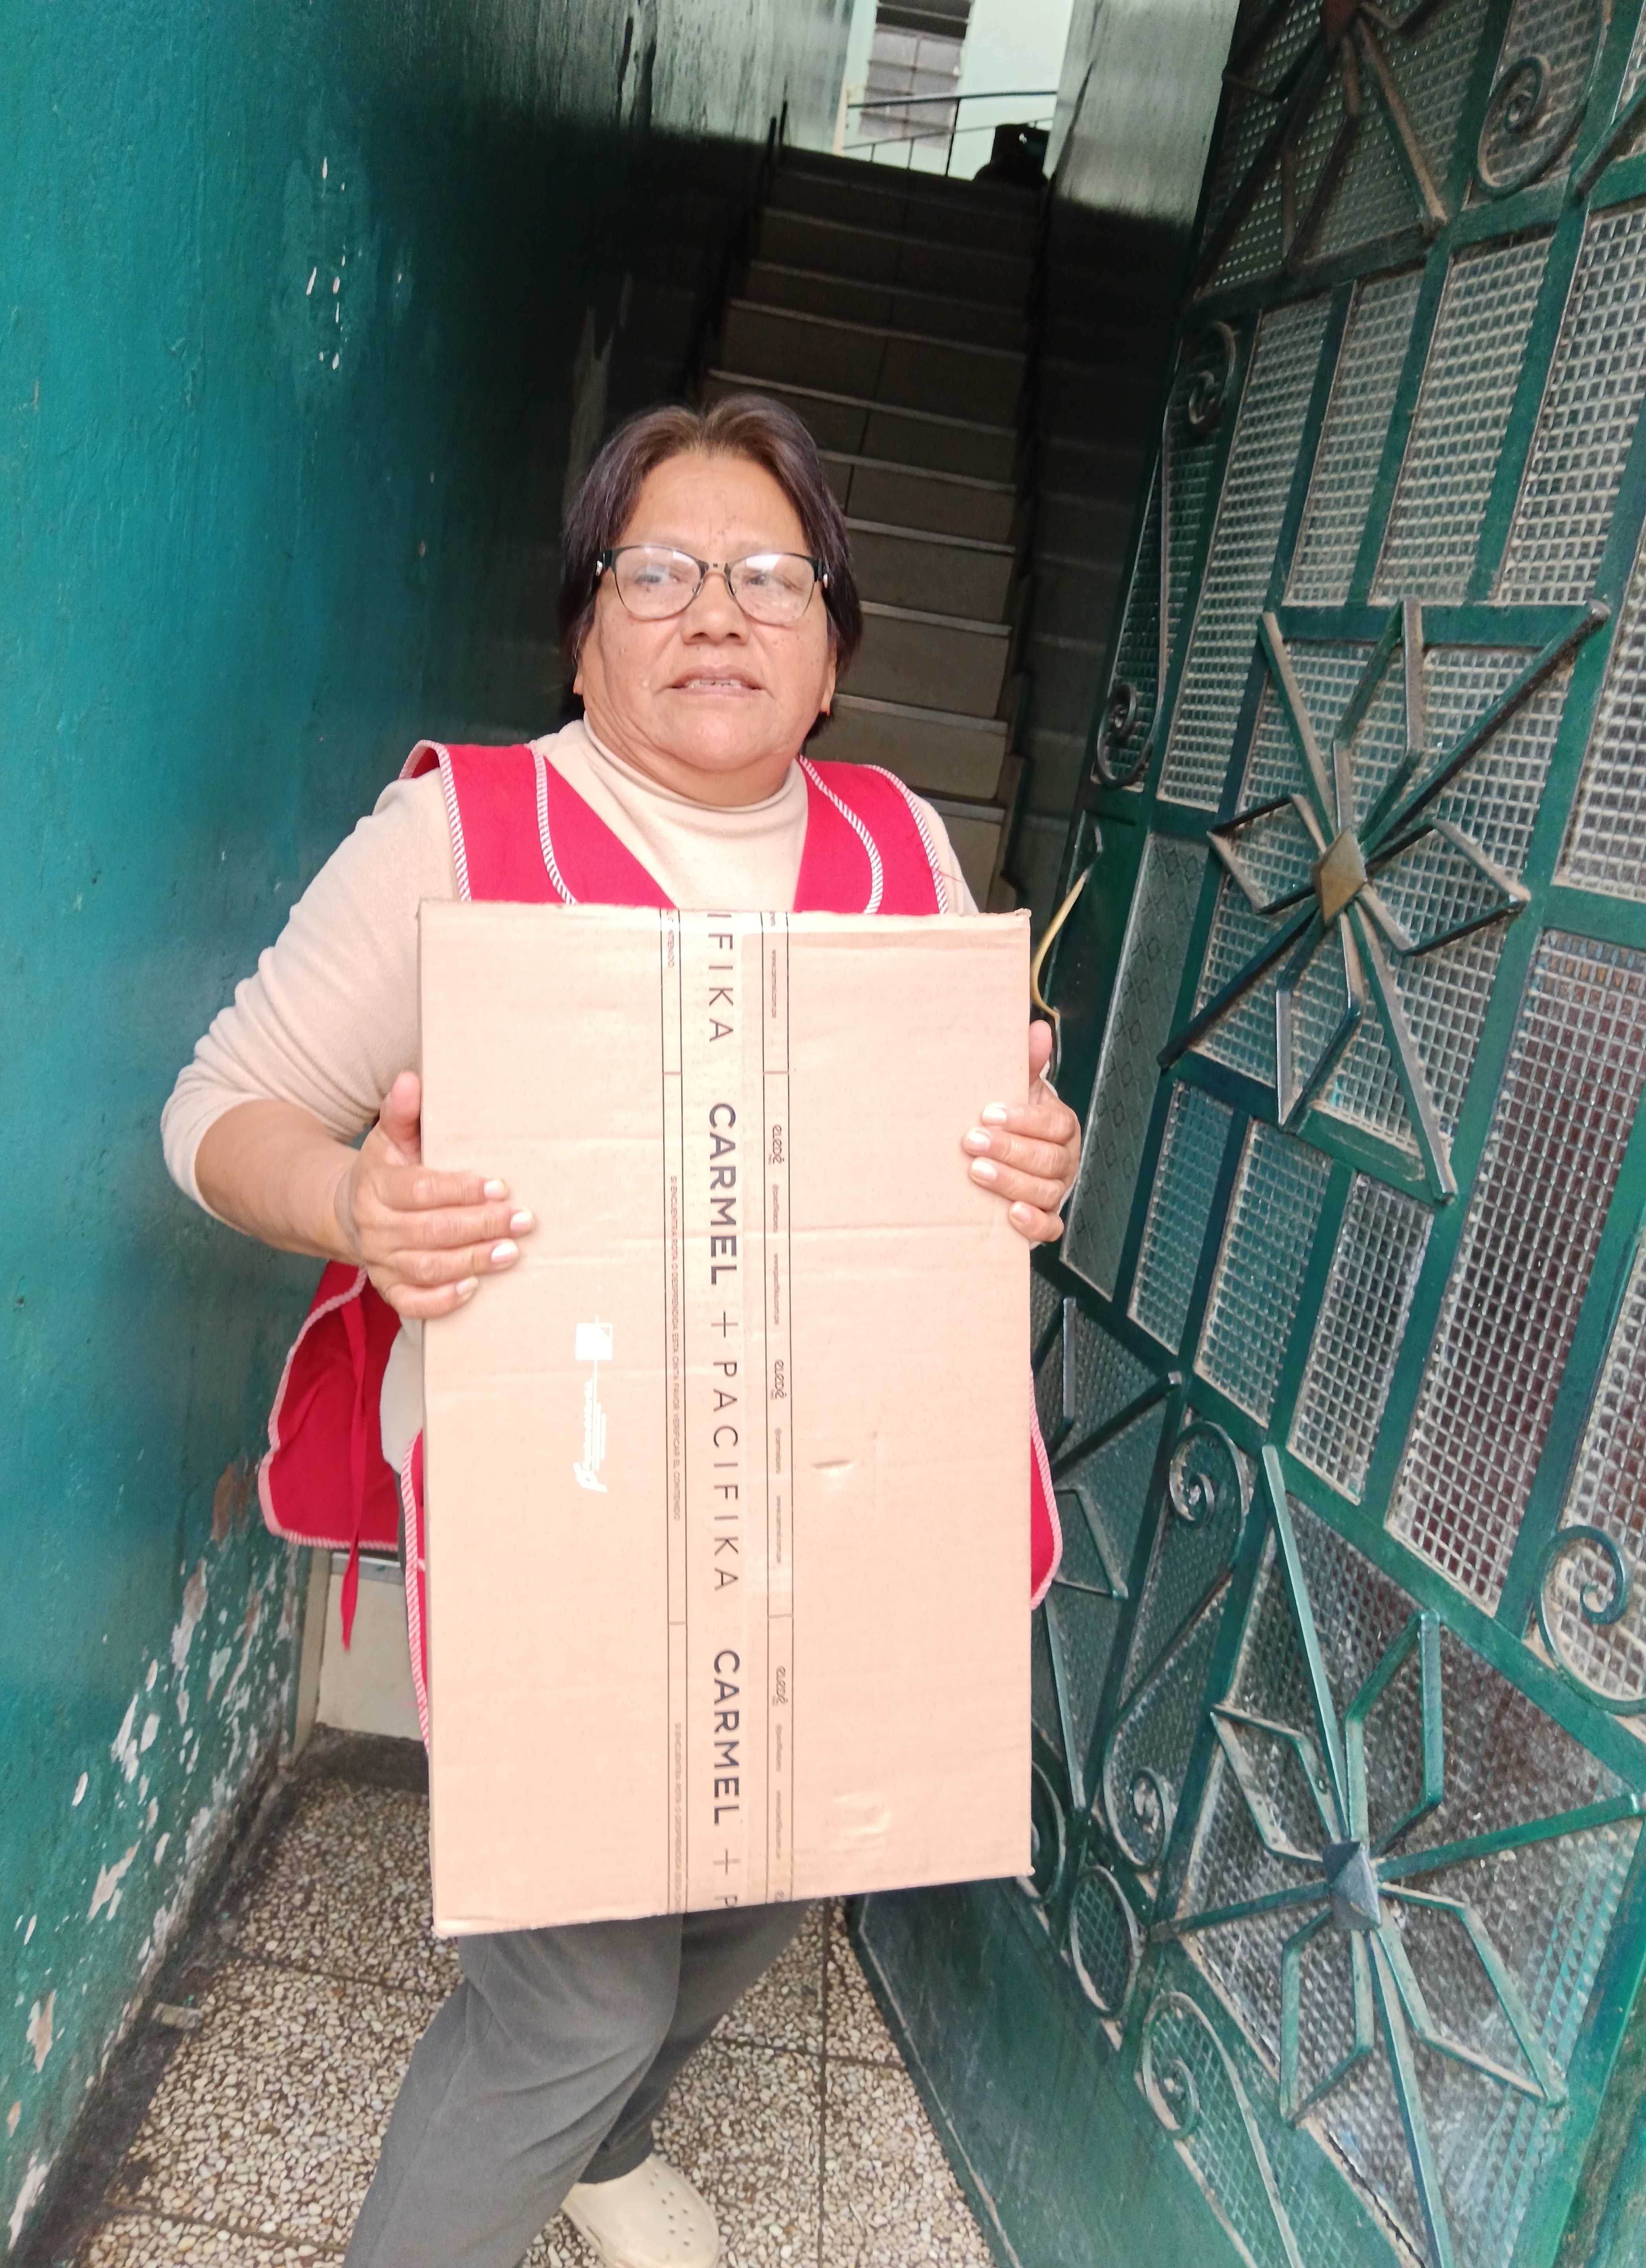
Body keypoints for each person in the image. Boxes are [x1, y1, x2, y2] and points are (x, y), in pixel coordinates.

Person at [162, 393, 1081, 2268]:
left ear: (832, 648)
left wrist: (1029, 1152)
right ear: (584, 633)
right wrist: (353, 1202)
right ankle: (555, 2125)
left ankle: (610, 2144)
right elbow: (213, 1112)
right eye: (655, 572)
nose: (716, 611)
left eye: (770, 576)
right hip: (563, 1515)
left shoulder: (898, 841)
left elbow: (966, 1143)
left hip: (831, 1504)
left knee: (772, 1870)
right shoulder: (459, 831)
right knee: (572, 1999)